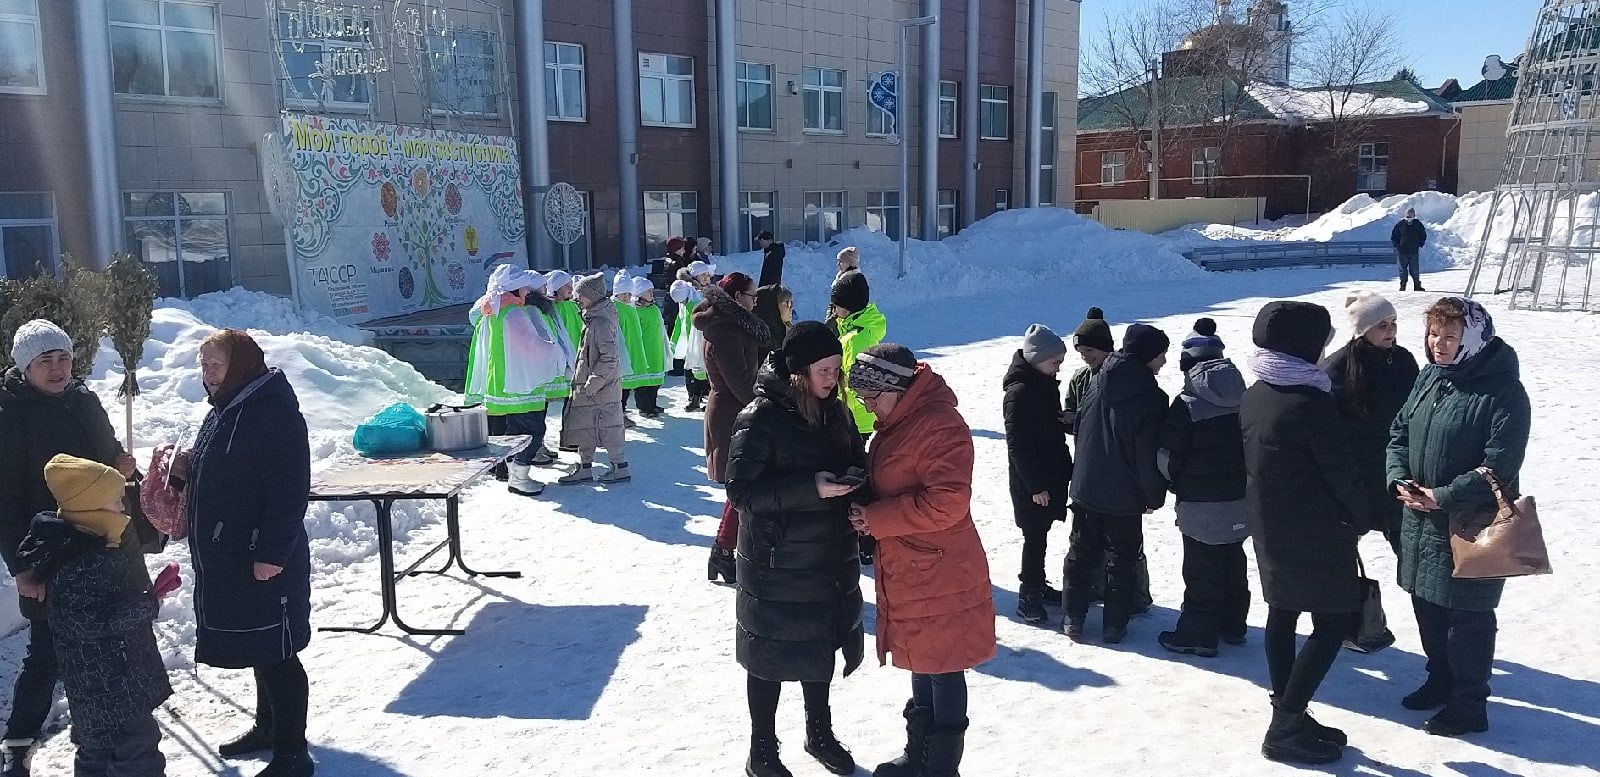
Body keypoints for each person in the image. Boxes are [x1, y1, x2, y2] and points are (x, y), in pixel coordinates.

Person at [847, 343, 995, 777]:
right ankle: (918, 757)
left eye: (872, 398)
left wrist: (876, 517)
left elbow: (948, 502)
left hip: (942, 566)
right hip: (911, 562)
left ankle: (941, 769)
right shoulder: (900, 420)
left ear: (896, 388)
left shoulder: (939, 425)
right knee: (920, 660)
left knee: (944, 667)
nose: (869, 407)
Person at [725, 322, 865, 777]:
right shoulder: (760, 417)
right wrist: (811, 489)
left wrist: (858, 482)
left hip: (827, 557)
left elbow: (854, 458)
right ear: (798, 372)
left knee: (818, 646)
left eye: (835, 369)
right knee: (768, 656)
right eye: (823, 370)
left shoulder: (837, 413)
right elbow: (741, 491)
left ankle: (818, 733)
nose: (832, 378)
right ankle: (761, 749)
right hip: (776, 563)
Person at [1, 319, 139, 777]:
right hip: (43, 552)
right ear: (25, 367)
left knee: (103, 643)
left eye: (64, 358)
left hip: (99, 546)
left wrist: (122, 464)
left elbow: (107, 459)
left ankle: (100, 735)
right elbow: (5, 500)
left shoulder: (83, 400)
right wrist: (22, 567)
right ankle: (19, 743)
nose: (59, 369)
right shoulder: (9, 412)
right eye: (46, 362)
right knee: (47, 650)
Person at [1386, 297, 1529, 738]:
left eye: (1450, 337)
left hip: (1472, 525)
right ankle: (1439, 679)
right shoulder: (1430, 378)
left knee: (1468, 617)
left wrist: (1442, 496)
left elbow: (1498, 466)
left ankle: (1469, 704)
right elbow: (1398, 432)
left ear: (1473, 339)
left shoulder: (1504, 392)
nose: (1438, 345)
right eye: (1433, 334)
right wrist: (1398, 478)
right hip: (1420, 517)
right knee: (1426, 604)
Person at [179, 329, 315, 777]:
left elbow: (290, 489)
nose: (209, 375)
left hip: (266, 555)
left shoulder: (272, 412)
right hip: (233, 553)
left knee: (277, 651)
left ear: (240, 364)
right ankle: (268, 727)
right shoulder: (225, 409)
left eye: (217, 365)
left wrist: (273, 552)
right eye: (204, 366)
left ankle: (293, 755)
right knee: (261, 643)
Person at [1241, 301, 1369, 766]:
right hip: (1313, 531)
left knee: (1283, 613)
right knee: (1333, 622)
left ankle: (1288, 709)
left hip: (1270, 524)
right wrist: (1362, 517)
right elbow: (1340, 471)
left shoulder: (1259, 391)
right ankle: (1286, 725)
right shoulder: (1310, 402)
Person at [14, 455, 175, 777]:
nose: (123, 507)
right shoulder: (87, 559)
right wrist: (148, 602)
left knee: (97, 752)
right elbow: (85, 621)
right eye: (117, 500)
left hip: (100, 684)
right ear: (92, 507)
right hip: (112, 682)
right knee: (136, 754)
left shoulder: (85, 544)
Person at [1063, 323, 1169, 644]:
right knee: (1121, 559)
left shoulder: (1098, 380)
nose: (1164, 362)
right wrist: (1154, 496)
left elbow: (1081, 430)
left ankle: (1073, 617)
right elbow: (1146, 455)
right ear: (1148, 356)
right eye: (1161, 355)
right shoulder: (1151, 397)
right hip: (1122, 495)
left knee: (1081, 553)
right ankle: (1113, 625)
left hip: (1085, 487)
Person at [1156, 319, 1250, 658]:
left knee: (1201, 569)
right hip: (1241, 499)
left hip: (1200, 503)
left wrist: (1170, 482)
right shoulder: (1245, 397)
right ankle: (1234, 625)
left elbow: (1167, 456)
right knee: (1233, 560)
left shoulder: (1186, 406)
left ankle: (1198, 633)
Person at [1322, 291, 1420, 554]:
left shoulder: (1403, 359)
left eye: (1393, 323)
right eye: (1382, 325)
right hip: (1358, 475)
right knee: (1341, 554)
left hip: (1398, 471)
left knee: (1410, 550)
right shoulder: (1338, 366)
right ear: (1363, 329)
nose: (1390, 331)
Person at [464, 266, 569, 496]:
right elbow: (531, 346)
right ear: (514, 289)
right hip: (520, 385)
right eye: (522, 287)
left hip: (502, 382)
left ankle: (515, 474)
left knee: (514, 432)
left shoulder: (492, 312)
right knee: (531, 430)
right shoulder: (513, 314)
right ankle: (518, 477)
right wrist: (553, 352)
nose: (526, 291)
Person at [694, 272, 770, 585]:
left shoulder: (736, 325)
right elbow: (739, 383)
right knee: (742, 487)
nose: (755, 301)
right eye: (752, 295)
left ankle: (724, 551)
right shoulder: (724, 330)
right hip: (731, 417)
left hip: (739, 413)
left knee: (743, 487)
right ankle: (723, 551)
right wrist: (767, 406)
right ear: (737, 297)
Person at [1003, 324, 1073, 624]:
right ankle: (1028, 593)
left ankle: (1038, 584)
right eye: (1054, 362)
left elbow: (1045, 427)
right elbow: (1018, 444)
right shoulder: (1019, 393)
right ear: (1036, 359)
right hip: (1031, 482)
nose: (1058, 368)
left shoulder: (1042, 385)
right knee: (1034, 537)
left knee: (1040, 534)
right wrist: (1035, 486)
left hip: (1048, 475)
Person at [558, 273, 630, 485]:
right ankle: (585, 466)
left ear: (592, 296)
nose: (577, 299)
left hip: (600, 388)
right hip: (591, 386)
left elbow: (610, 357)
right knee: (585, 426)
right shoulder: (592, 318)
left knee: (606, 427)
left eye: (581, 295)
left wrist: (594, 382)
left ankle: (619, 466)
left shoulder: (600, 322)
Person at [670, 262, 714, 413]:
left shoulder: (708, 292)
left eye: (708, 275)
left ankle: (705, 395)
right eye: (703, 275)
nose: (707, 278)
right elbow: (681, 319)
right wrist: (675, 340)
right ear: (694, 277)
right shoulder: (688, 294)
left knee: (705, 368)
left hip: (705, 336)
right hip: (690, 337)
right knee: (691, 368)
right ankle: (694, 397)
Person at [630, 277, 669, 418]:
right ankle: (644, 407)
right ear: (639, 293)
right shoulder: (635, 310)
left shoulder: (654, 309)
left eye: (652, 291)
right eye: (648, 291)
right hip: (643, 349)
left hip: (655, 349)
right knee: (643, 381)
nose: (651, 294)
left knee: (655, 381)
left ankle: (652, 404)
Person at [613, 271, 646, 429]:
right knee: (621, 386)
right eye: (623, 293)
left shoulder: (630, 307)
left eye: (628, 293)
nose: (626, 297)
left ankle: (622, 411)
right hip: (622, 349)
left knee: (627, 385)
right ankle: (618, 413)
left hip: (633, 349)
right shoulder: (615, 308)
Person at [1391, 208, 1427, 292]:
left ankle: (1417, 285)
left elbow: (1423, 235)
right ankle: (1403, 285)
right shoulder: (1400, 225)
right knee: (1402, 270)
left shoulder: (1418, 224)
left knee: (1415, 270)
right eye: (1407, 216)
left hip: (1413, 252)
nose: (1409, 217)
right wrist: (1397, 246)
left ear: (1414, 216)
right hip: (1402, 252)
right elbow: (1394, 237)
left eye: (1411, 215)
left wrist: (1420, 244)